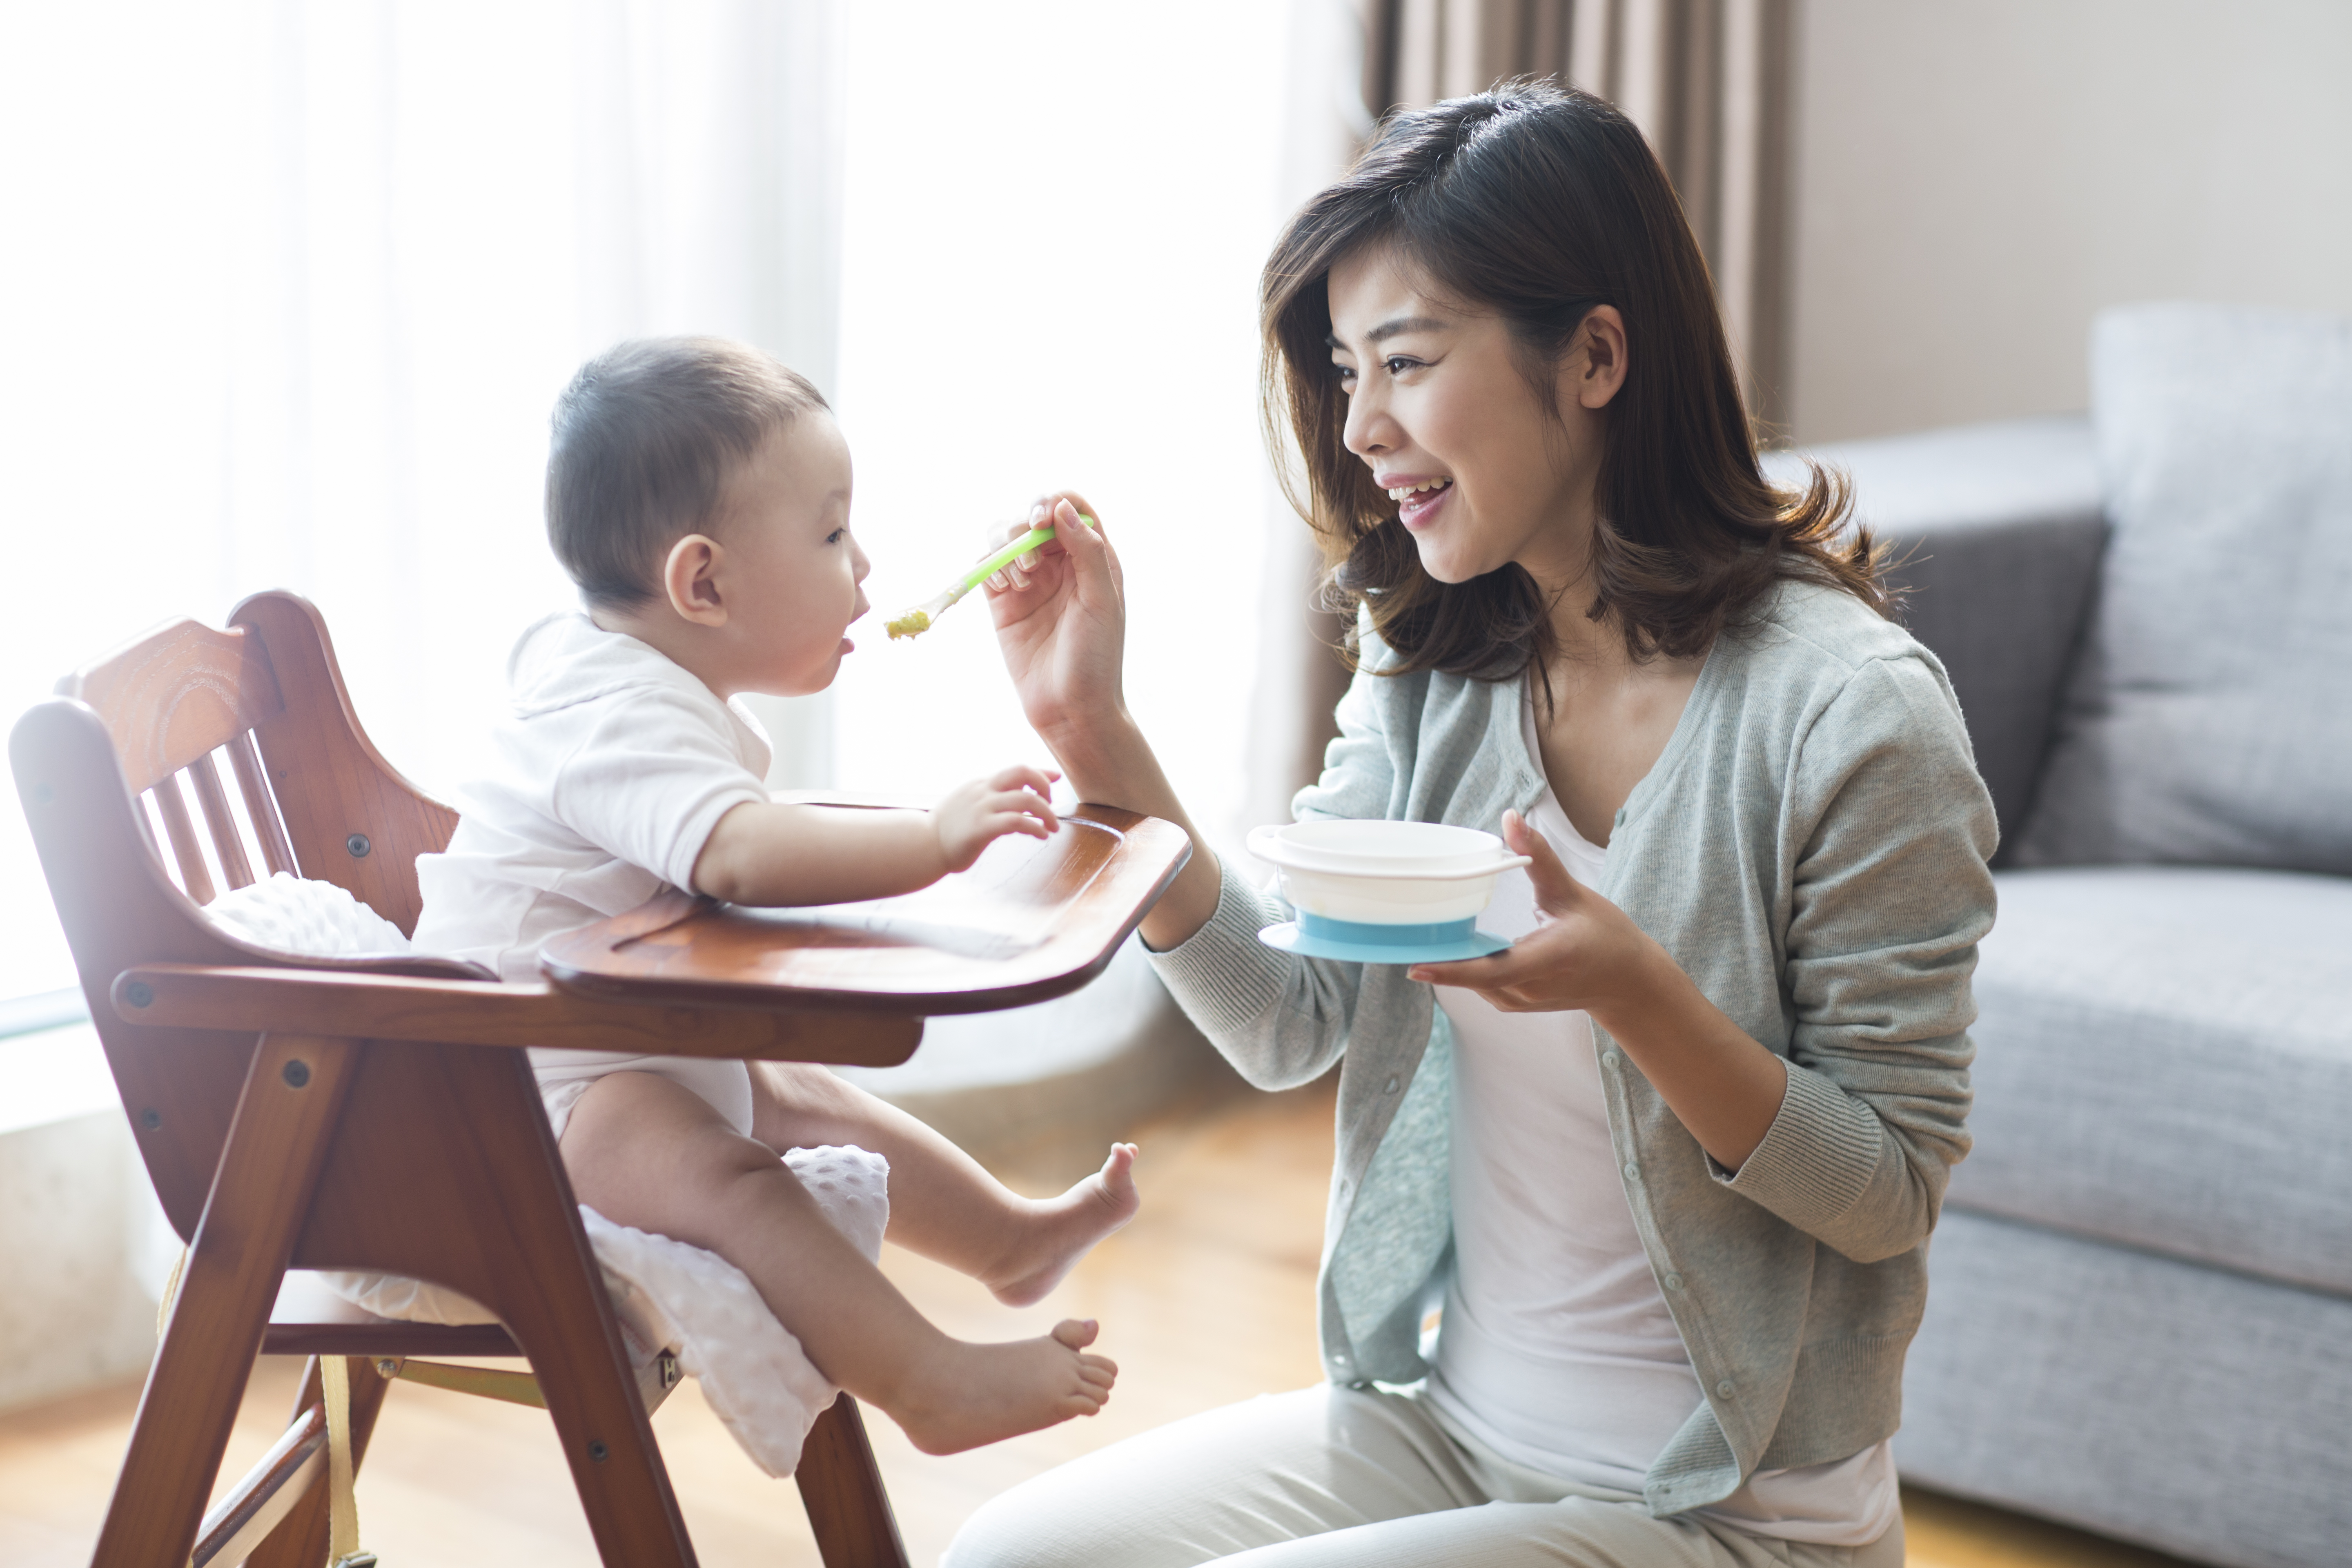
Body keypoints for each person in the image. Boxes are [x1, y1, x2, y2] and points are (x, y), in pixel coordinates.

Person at [951, 82, 1994, 1566]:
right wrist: (1097, 742)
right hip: (1448, 1430)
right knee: (1008, 1557)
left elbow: (1887, 1191)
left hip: (1734, 1513)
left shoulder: (1853, 714)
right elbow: (1289, 1017)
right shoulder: (1439, 656)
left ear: (1596, 355)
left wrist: (1633, 990)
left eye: (1407, 361)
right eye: (1342, 368)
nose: (1364, 424)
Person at [411, 336, 1136, 1456]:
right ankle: (926, 1383)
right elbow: (738, 856)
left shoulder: (624, 677)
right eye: (835, 534)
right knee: (740, 1180)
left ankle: (1007, 1241)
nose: (866, 566)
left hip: (590, 1039)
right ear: (702, 582)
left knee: (791, 1091)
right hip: (518, 1096)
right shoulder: (614, 713)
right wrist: (936, 841)